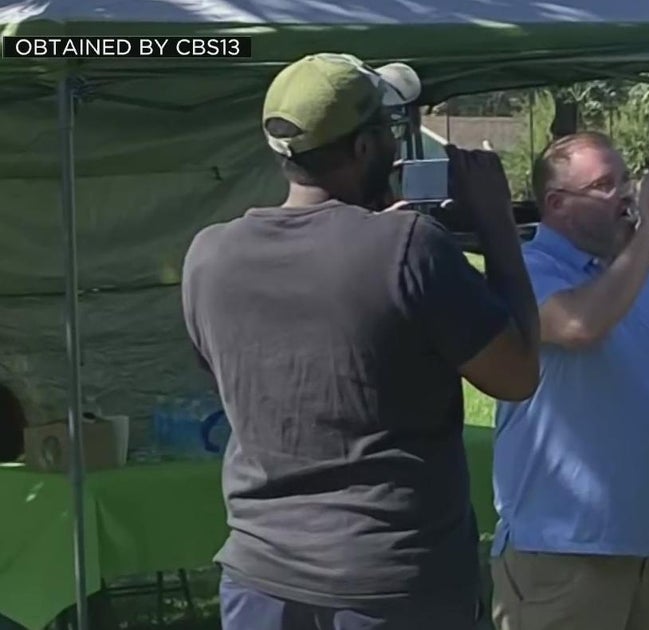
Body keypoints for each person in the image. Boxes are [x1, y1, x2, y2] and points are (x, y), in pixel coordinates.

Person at [181, 52, 540, 630]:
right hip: (392, 581)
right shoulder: (410, 248)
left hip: (261, 577)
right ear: (366, 147)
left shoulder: (209, 256)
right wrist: (498, 224)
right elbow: (518, 375)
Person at [488, 132, 649, 630]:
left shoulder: (645, 283)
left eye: (626, 180)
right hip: (561, 551)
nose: (628, 195)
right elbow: (578, 326)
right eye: (605, 185)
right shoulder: (524, 272)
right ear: (557, 204)